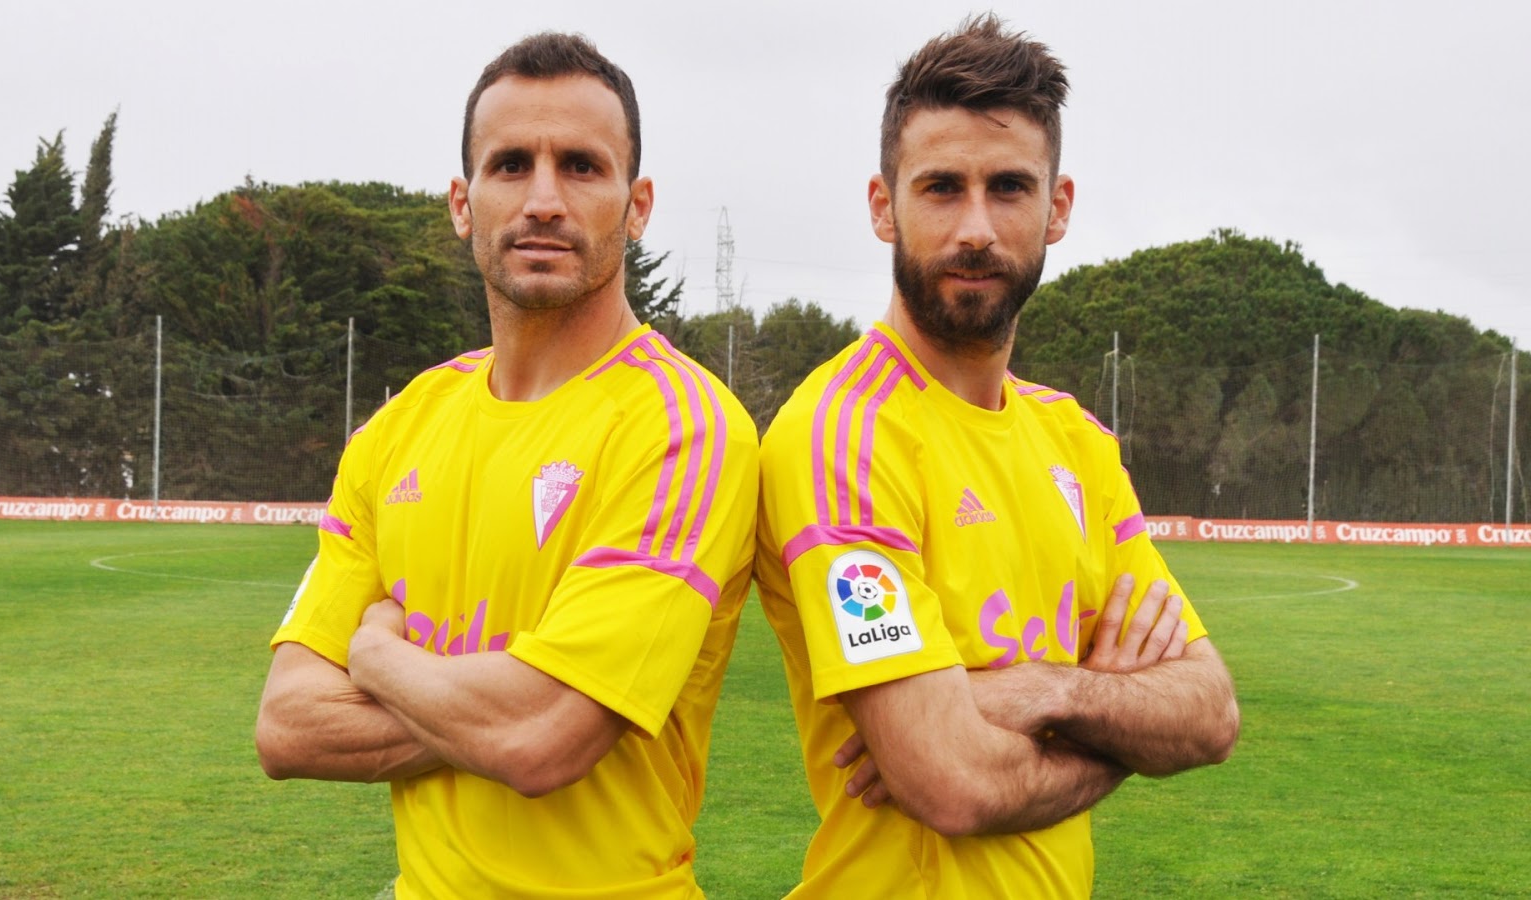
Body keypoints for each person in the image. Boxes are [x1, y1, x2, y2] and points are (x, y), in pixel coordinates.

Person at [254, 32, 758, 899]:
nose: (545, 200)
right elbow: (288, 726)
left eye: (583, 167)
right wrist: (508, 702)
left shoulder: (686, 428)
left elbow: (542, 739)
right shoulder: (400, 427)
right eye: (512, 164)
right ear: (463, 202)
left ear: (637, 207)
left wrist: (376, 661)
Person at [753, 15, 1239, 898]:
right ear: (881, 204)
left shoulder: (1076, 441)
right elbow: (953, 782)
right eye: (942, 187)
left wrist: (1046, 692)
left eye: (1009, 187)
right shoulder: (839, 435)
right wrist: (1120, 721)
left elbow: (1210, 714)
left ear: (1056, 209)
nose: (975, 227)